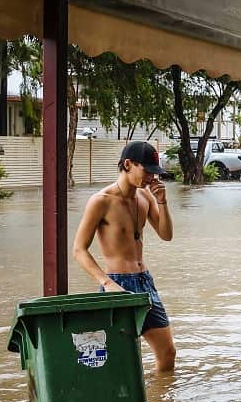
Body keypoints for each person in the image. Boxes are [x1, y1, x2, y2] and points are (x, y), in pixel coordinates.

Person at [72, 141, 176, 373]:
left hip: (145, 282)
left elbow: (166, 235)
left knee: (168, 354)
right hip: (117, 284)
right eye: (146, 170)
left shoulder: (145, 197)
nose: (151, 177)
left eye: (154, 172)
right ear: (128, 165)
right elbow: (79, 249)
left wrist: (162, 201)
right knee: (121, 357)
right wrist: (107, 283)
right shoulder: (102, 200)